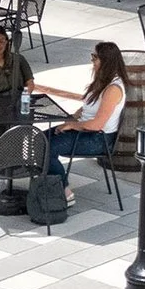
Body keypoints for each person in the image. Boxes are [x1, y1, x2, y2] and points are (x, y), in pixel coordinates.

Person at [44, 42, 127, 192]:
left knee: (47, 148)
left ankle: (63, 190)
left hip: (98, 138)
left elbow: (97, 124)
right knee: (38, 140)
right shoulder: (101, 80)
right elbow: (87, 106)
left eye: (95, 57)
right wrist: (72, 117)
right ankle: (47, 182)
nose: (92, 61)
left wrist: (71, 125)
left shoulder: (113, 89)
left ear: (106, 61)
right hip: (84, 130)